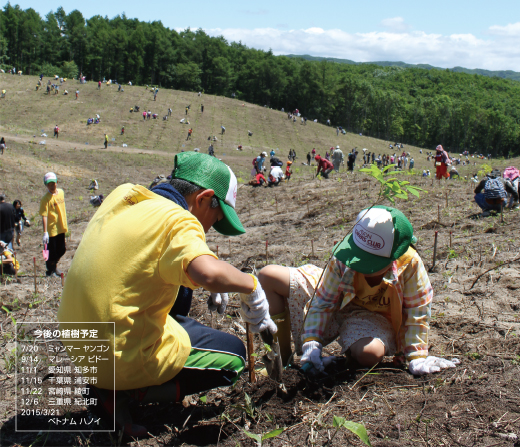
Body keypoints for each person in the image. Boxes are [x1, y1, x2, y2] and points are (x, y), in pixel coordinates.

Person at [57, 153, 276, 436]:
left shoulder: (125, 195)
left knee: (178, 317)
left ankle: (108, 385)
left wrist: (209, 275)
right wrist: (250, 286)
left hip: (79, 345)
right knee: (233, 357)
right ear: (203, 199)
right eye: (216, 217)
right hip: (116, 353)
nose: (210, 229)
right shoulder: (180, 221)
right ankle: (122, 393)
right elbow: (206, 272)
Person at [257, 205, 460, 377]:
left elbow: (417, 310)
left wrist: (417, 357)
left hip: (370, 317)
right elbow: (323, 301)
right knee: (269, 276)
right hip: (337, 296)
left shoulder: (410, 264)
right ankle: (282, 362)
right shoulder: (345, 257)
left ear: (393, 258)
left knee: (368, 354)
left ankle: (347, 355)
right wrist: (312, 342)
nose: (360, 267)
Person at [40, 172, 68, 277]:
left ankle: (54, 266)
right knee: (51, 251)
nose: (52, 186)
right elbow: (44, 215)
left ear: (57, 182)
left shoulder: (61, 192)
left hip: (61, 226)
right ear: (46, 185)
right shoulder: (45, 199)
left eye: (53, 183)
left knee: (62, 249)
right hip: (51, 229)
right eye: (49, 184)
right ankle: (50, 271)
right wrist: (45, 232)